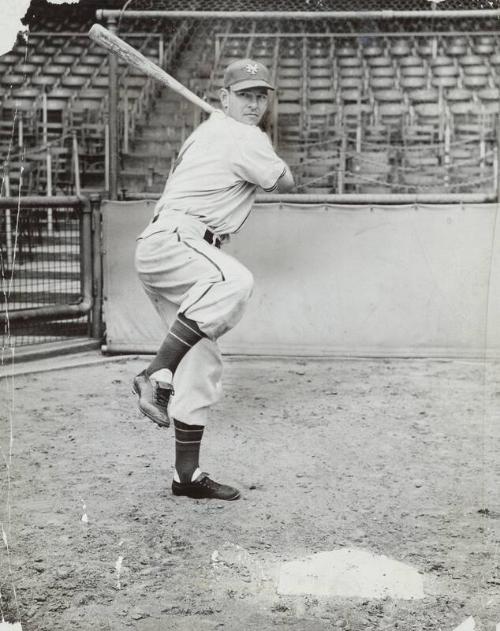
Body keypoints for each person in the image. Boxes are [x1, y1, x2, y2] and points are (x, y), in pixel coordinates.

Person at [133, 58, 294, 501]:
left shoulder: (205, 133)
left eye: (261, 95)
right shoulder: (244, 136)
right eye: (245, 95)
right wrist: (266, 151)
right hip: (179, 240)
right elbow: (284, 181)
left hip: (167, 246)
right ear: (223, 99)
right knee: (234, 282)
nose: (255, 103)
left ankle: (186, 477)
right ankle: (154, 373)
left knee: (202, 362)